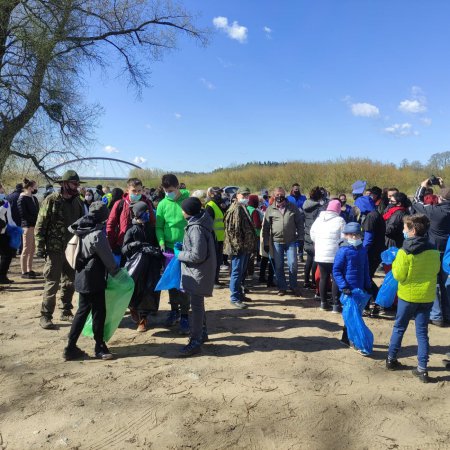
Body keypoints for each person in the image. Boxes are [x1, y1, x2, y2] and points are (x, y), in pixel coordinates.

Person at [386, 214, 441, 383]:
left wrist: (395, 262)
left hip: (407, 296)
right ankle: (422, 369)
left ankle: (391, 359)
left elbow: (399, 275)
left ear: (413, 230)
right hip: (426, 297)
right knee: (422, 333)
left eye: (404, 228)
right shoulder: (433, 250)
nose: (403, 230)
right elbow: (436, 271)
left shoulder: (404, 252)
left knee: (399, 328)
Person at [63, 202, 120, 361]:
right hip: (94, 277)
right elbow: (108, 258)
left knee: (82, 311)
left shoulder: (79, 228)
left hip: (81, 275)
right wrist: (117, 273)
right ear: (104, 217)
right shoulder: (97, 234)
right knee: (98, 313)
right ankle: (99, 347)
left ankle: (71, 346)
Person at [35, 170, 85, 329]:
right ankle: (46, 315)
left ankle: (66, 311)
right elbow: (41, 224)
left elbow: (81, 225)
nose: (76, 187)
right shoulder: (51, 200)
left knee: (70, 282)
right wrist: (39, 247)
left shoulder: (78, 202)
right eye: (74, 184)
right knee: (52, 282)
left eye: (77, 184)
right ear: (64, 184)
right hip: (54, 249)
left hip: (72, 248)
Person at [177, 197, 216, 356]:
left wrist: (180, 254)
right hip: (201, 270)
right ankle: (202, 333)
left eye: (183, 209)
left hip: (198, 271)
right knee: (198, 303)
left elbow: (198, 255)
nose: (181, 212)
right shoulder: (200, 222)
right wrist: (185, 247)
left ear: (188, 212)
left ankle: (195, 340)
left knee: (196, 306)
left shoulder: (196, 228)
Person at [412, 178, 450, 327]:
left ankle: (437, 315)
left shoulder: (436, 212)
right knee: (447, 284)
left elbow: (416, 201)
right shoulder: (442, 209)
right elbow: (446, 197)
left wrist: (422, 186)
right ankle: (447, 314)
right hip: (448, 253)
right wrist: (443, 187)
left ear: (439, 198)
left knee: (434, 283)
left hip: (434, 251)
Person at [155, 174, 191, 332]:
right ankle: (173, 311)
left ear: (178, 187)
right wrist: (161, 241)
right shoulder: (162, 204)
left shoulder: (187, 201)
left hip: (186, 248)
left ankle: (185, 315)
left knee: (184, 283)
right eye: (166, 190)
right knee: (172, 282)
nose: (168, 192)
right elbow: (159, 227)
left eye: (171, 190)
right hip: (169, 250)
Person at [122, 202, 161, 332]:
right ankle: (133, 309)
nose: (148, 214)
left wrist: (156, 250)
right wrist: (134, 245)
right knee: (135, 290)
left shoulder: (151, 227)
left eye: (148, 212)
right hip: (136, 266)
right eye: (145, 212)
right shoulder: (132, 230)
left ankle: (143, 319)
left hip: (151, 264)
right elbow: (124, 249)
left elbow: (157, 243)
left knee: (149, 290)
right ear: (138, 214)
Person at [333, 222, 372, 350]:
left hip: (359, 289)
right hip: (348, 290)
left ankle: (347, 337)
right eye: (351, 235)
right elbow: (337, 270)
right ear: (346, 235)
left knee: (356, 314)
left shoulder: (362, 251)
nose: (354, 238)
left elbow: (366, 269)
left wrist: (368, 285)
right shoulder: (343, 251)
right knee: (350, 314)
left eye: (357, 235)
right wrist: (343, 286)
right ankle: (351, 338)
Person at [262, 187, 304, 296]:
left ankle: (293, 286)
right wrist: (266, 243)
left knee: (293, 264)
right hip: (276, 242)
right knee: (279, 266)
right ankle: (282, 287)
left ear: (285, 195)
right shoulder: (270, 209)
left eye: (281, 194)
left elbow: (299, 224)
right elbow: (266, 228)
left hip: (291, 241)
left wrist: (301, 238)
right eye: (277, 195)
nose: (279, 197)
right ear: (274, 196)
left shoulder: (292, 207)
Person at [223, 186, 256, 309]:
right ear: (237, 196)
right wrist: (238, 247)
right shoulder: (236, 209)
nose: (246, 198)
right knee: (236, 272)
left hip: (245, 247)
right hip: (239, 248)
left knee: (241, 272)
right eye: (243, 195)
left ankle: (240, 294)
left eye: (247, 195)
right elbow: (233, 231)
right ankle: (235, 297)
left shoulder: (243, 207)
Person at [310, 199, 345, 311]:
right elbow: (344, 237)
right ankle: (336, 304)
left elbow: (312, 235)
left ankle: (323, 302)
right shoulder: (340, 220)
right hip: (335, 254)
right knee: (335, 278)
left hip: (320, 254)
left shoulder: (319, 220)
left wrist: (320, 243)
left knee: (323, 277)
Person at [106, 178, 155, 258]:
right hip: (123, 245)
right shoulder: (120, 204)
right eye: (134, 191)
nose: (136, 194)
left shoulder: (147, 203)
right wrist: (113, 245)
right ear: (127, 190)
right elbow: (110, 225)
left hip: (142, 245)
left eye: (139, 191)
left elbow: (152, 222)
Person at [354, 195, 386, 313]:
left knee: (366, 279)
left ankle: (374, 304)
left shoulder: (370, 217)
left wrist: (362, 252)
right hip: (377, 251)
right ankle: (376, 303)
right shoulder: (376, 214)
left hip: (371, 253)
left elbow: (368, 239)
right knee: (368, 278)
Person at [303, 187, 325, 289]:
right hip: (317, 236)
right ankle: (313, 281)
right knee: (315, 261)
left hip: (307, 235)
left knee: (309, 260)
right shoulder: (319, 208)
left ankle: (306, 281)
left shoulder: (305, 205)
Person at [17, 178, 39, 279]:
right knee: (26, 248)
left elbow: (37, 211)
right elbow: (23, 214)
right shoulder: (22, 198)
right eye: (35, 186)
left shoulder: (33, 198)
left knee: (32, 249)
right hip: (27, 226)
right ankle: (24, 271)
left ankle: (29, 269)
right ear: (30, 188)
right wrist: (32, 221)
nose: (36, 188)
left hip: (34, 226)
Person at [205, 187, 226, 288]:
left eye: (220, 193)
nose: (220, 195)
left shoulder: (219, 205)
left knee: (219, 260)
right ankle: (213, 281)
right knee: (214, 261)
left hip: (221, 238)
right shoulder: (210, 206)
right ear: (212, 194)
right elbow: (208, 224)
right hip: (214, 238)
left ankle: (216, 280)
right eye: (218, 193)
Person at [0, 186, 16, 284]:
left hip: (5, 230)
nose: (2, 191)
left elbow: (8, 217)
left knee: (7, 254)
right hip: (1, 231)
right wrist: (3, 207)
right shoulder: (4, 203)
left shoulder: (4, 201)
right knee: (7, 254)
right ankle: (1, 276)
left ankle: (2, 276)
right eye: (1, 189)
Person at [246, 194, 263, 278]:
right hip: (255, 234)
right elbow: (257, 224)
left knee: (247, 254)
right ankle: (250, 273)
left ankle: (247, 272)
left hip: (247, 235)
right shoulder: (254, 211)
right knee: (252, 255)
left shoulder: (245, 208)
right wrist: (262, 224)